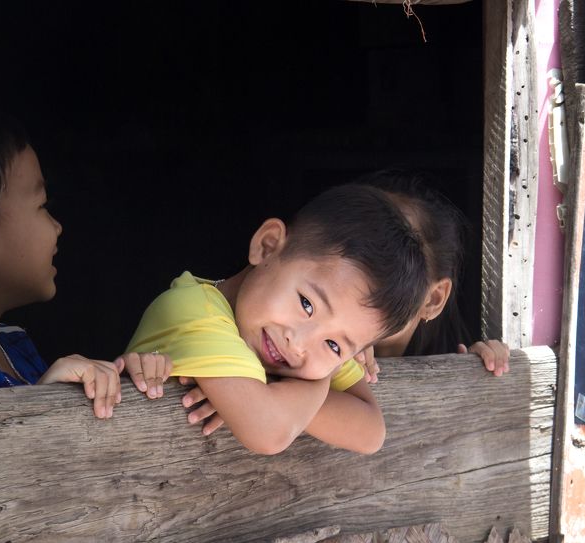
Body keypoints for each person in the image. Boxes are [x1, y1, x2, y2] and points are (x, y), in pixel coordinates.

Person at [118, 184, 429, 455]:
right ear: (267, 246)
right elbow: (268, 431)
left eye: (335, 345)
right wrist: (318, 379)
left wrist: (276, 388)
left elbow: (372, 432)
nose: (301, 345)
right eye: (307, 304)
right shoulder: (193, 310)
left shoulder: (296, 341)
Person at [0, 106, 169, 417]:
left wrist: (126, 380)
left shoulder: (15, 342)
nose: (57, 227)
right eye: (43, 205)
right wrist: (44, 401)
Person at [353, 171, 510, 382]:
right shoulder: (305, 355)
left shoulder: (450, 354)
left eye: (393, 256)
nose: (360, 268)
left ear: (433, 299)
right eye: (352, 246)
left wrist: (480, 372)